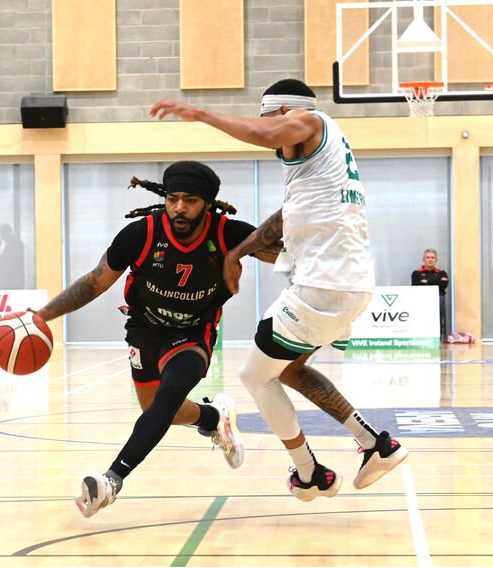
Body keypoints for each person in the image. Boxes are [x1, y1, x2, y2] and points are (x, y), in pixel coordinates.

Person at [150, 79, 407, 501]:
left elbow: (267, 132)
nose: (266, 128)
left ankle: (309, 474)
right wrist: (238, 252)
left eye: (266, 114)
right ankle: (376, 445)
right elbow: (284, 219)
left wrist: (201, 115)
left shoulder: (306, 120)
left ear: (283, 112)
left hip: (323, 286)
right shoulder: (318, 167)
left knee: (254, 374)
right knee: (288, 369)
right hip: (347, 286)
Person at [32, 161, 279, 518]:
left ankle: (110, 481)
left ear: (208, 203)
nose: (180, 207)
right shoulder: (140, 234)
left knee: (168, 396)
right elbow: (95, 282)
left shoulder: (229, 235)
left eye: (190, 200)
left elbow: (288, 255)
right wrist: (42, 315)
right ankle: (212, 419)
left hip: (194, 330)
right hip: (144, 329)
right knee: (160, 410)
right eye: (173, 198)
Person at [411, 248, 449, 342]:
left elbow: (443, 286)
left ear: (436, 260)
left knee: (440, 300)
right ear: (424, 259)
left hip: (437, 299)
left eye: (433, 257)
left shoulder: (442, 273)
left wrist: (426, 281)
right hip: (421, 300)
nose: (430, 259)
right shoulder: (416, 273)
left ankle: (439, 336)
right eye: (428, 257)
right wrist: (435, 282)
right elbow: (416, 285)